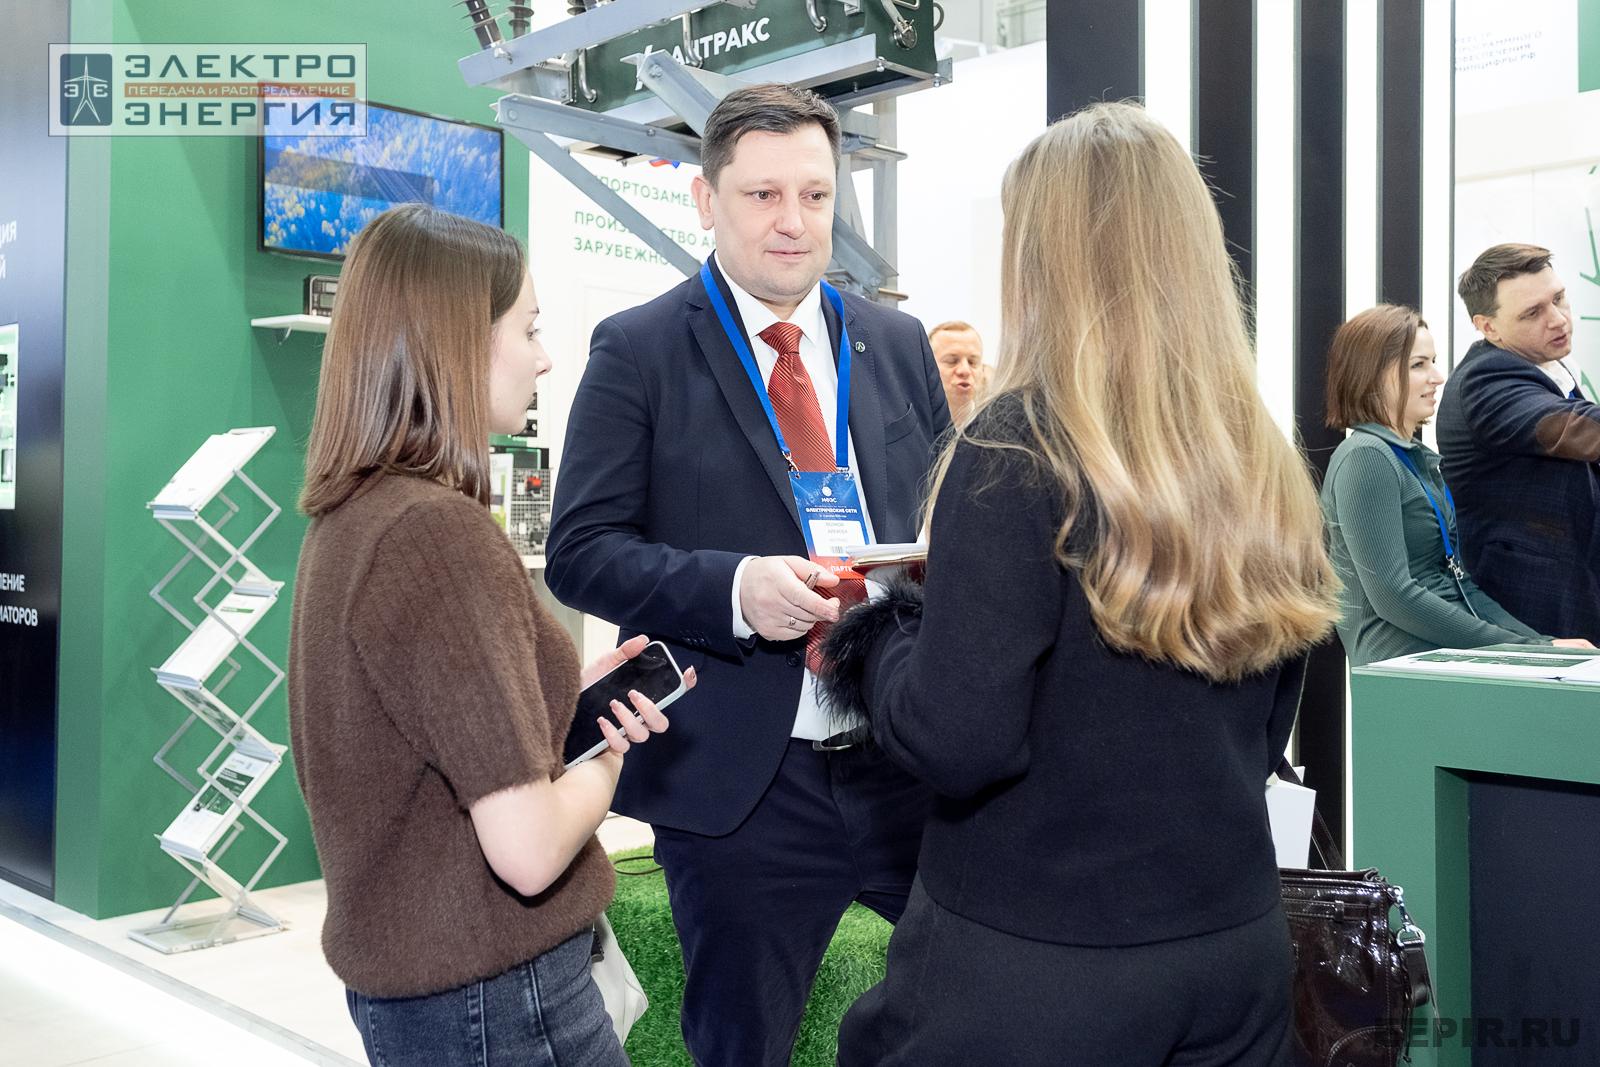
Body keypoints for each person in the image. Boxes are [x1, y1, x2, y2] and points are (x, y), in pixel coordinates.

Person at [818, 101, 1340, 1066]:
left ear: (1044, 258)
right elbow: (1269, 719)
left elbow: (958, 739)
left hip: (1038, 964)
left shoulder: (1015, 445)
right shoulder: (1259, 451)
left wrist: (879, 636)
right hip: (1234, 949)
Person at [544, 83, 950, 1066]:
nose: (793, 222)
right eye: (763, 195)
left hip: (900, 753)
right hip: (740, 784)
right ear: (706, 199)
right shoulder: (640, 348)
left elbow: (947, 523)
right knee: (743, 1044)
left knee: (958, 1017)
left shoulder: (897, 345)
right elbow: (582, 549)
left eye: (815, 195)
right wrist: (734, 591)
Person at [288, 203, 689, 1066]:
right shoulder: (437, 534)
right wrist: (607, 753)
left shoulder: (354, 517)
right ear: (459, 340)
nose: (545, 356)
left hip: (429, 995)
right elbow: (531, 851)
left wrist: (559, 702)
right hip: (500, 1002)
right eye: (530, 328)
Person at [1320, 304, 1588, 665]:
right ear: (1372, 375)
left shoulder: (1412, 458)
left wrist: (1541, 645)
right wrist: (1522, 650)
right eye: (1418, 365)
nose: (1438, 377)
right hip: (1403, 668)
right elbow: (1394, 596)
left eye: (1432, 362)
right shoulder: (1367, 456)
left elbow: (1460, 585)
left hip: (1442, 660)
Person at [1436, 243, 1600, 641]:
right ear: (1488, 326)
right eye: (1532, 313)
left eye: (1558, 299)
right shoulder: (1485, 381)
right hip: (1530, 611)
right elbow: (1575, 430)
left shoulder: (1549, 365)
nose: (1558, 319)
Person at [927, 320, 987, 424]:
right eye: (952, 361)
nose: (965, 371)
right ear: (927, 367)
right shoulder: (912, 428)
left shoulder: (999, 427)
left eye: (972, 362)